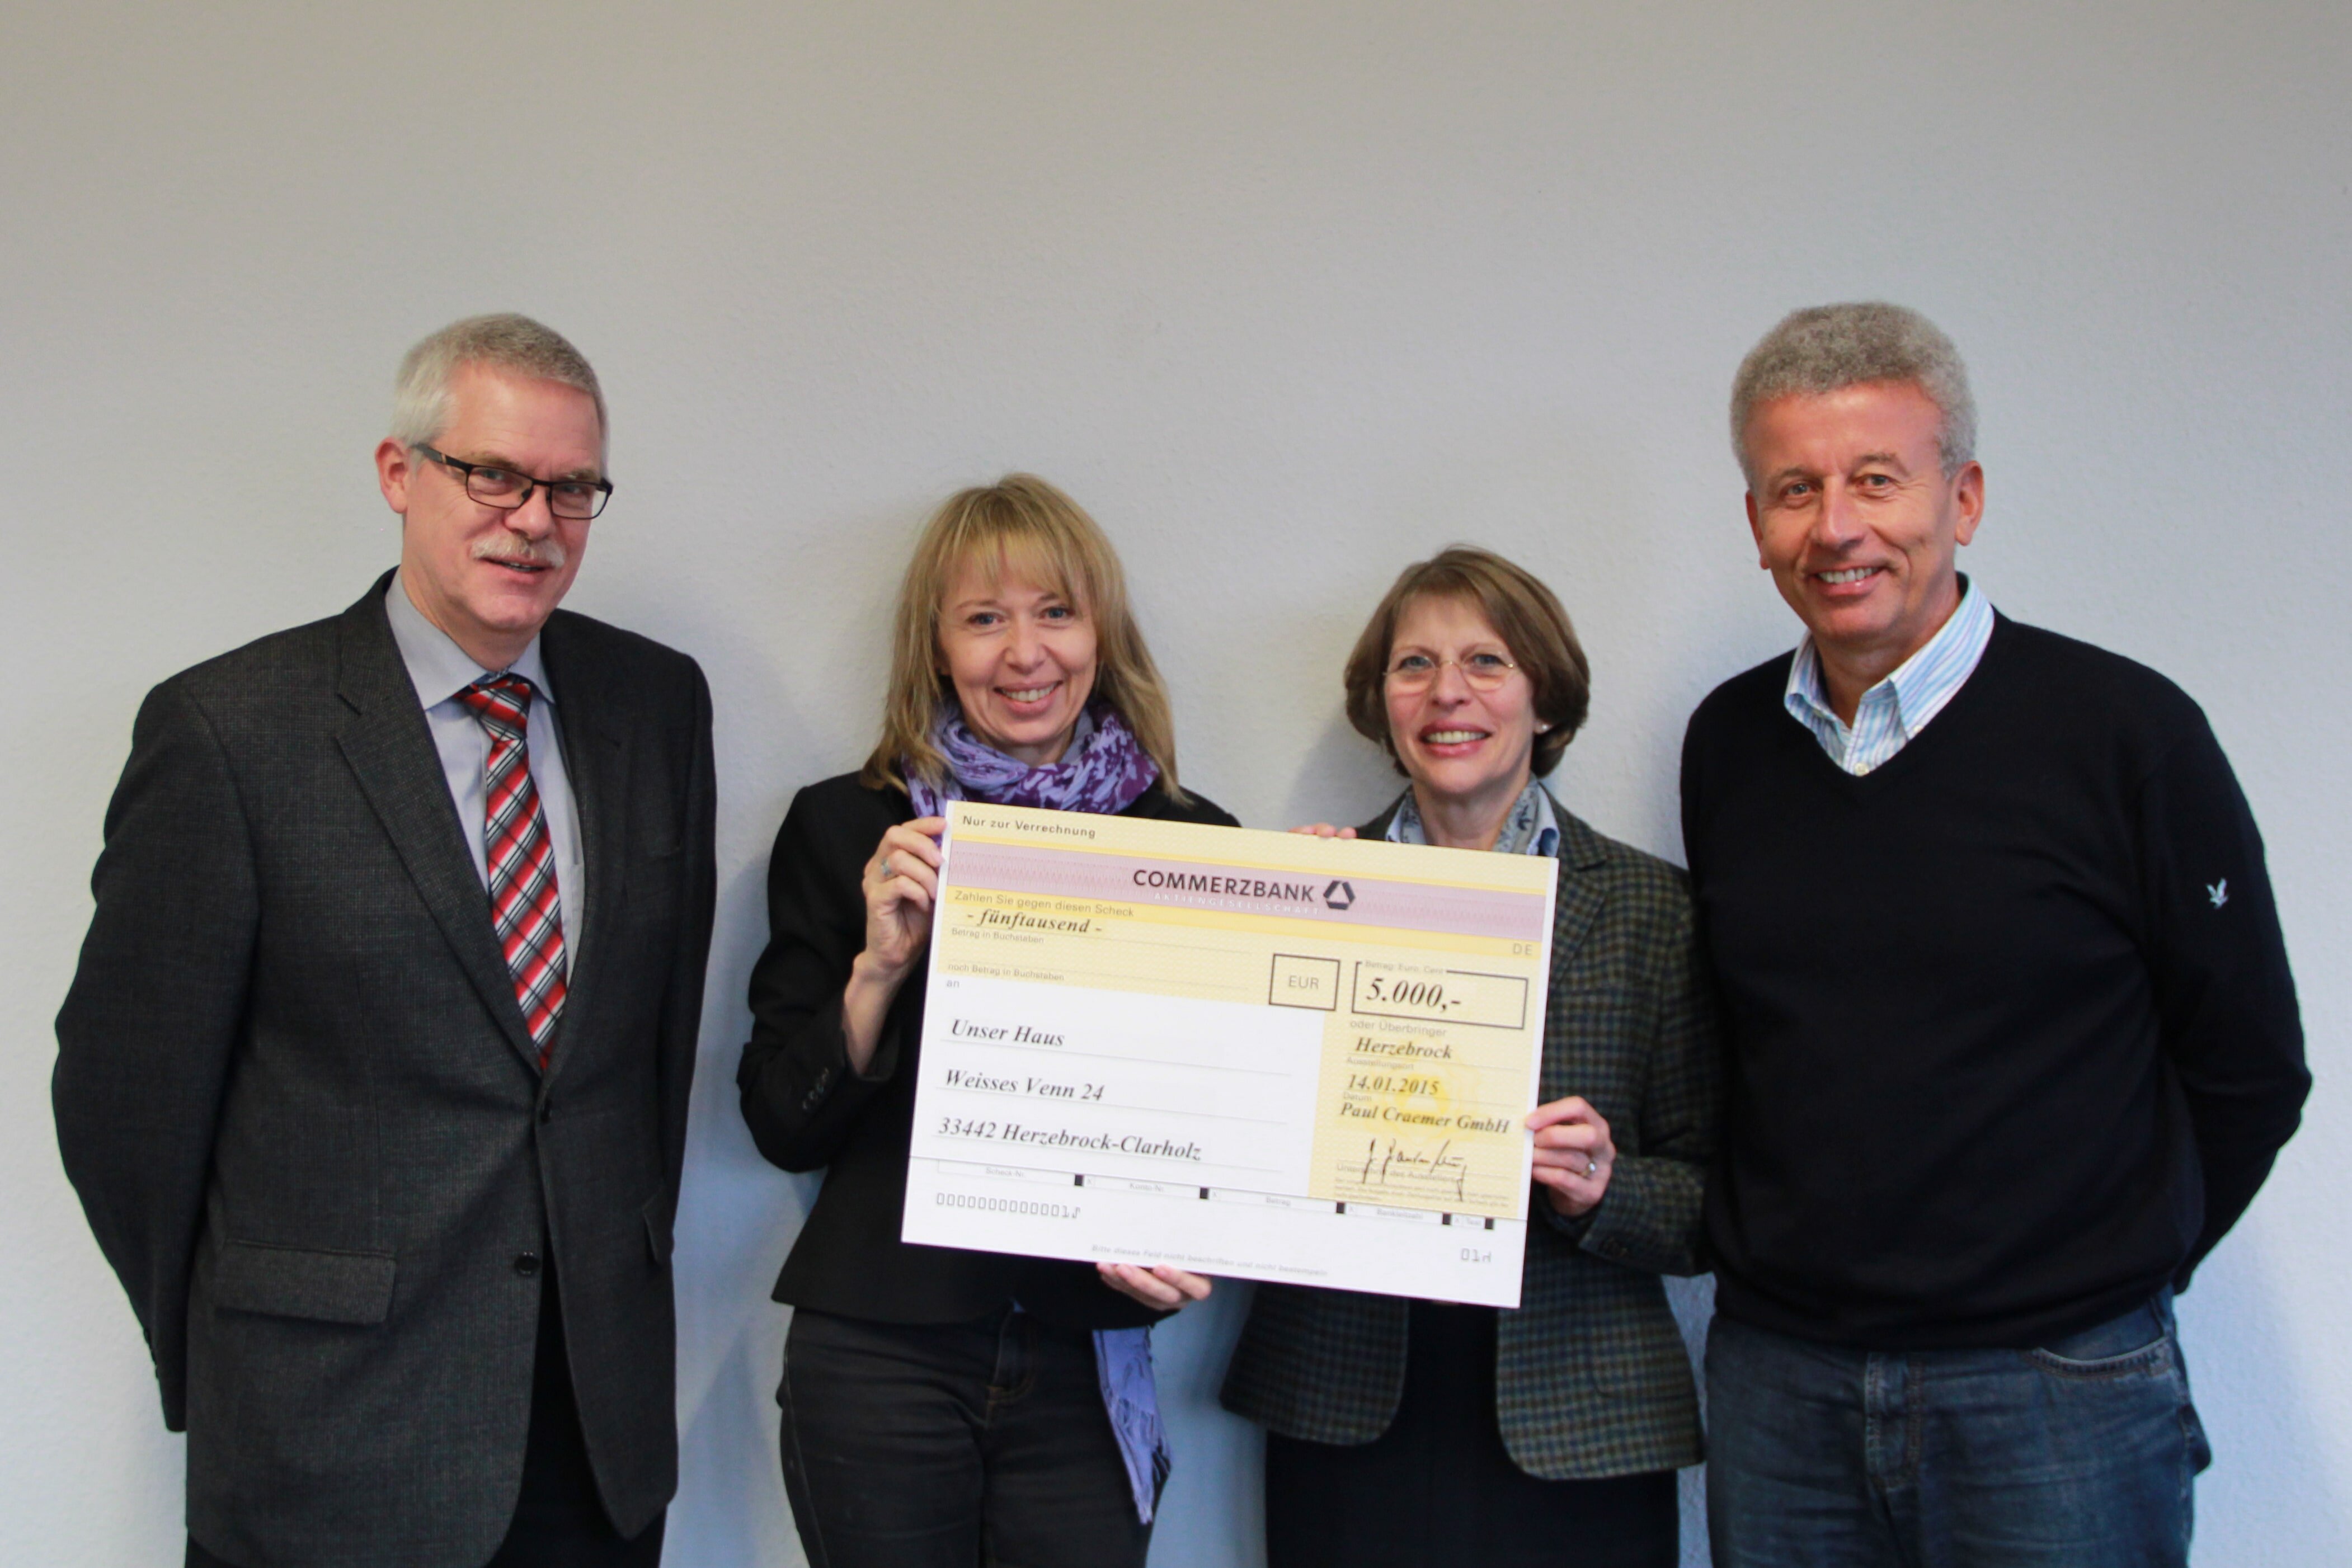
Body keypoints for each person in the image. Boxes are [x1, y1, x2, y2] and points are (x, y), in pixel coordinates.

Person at [53, 314, 717, 1568]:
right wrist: (241, 1341)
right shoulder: (231, 732)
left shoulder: (656, 706)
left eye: (571, 488)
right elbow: (122, 1101)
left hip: (594, 1439)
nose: (532, 518)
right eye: (493, 474)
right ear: (398, 473)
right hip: (326, 1438)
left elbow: (648, 1058)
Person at [1684, 302, 2309, 1567]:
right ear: (1754, 524)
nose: (1836, 526)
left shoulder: (2126, 735)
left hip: (2055, 1393)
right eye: (1792, 488)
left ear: (1961, 497)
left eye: (1876, 479)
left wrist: (2101, 1281)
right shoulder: (1726, 744)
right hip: (1780, 1387)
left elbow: (2248, 1067)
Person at [738, 474, 1236, 1568]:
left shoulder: (1196, 841)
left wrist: (1316, 929)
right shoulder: (847, 828)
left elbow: (1219, 1119)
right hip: (880, 1349)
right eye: (983, 617)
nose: (1024, 653)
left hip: (1083, 1356)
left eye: (1055, 612)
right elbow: (781, 1122)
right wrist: (876, 971)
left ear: (1101, 634)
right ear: (935, 647)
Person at [1219, 547, 1719, 1568]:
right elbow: (1229, 1147)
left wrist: (1608, 1189)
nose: (1448, 692)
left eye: (1487, 661)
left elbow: (1719, 1201)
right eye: (1415, 666)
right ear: (1382, 702)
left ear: (1545, 701)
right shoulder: (1302, 889)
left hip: (1582, 1422)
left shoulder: (1650, 910)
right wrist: (1287, 937)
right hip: (1345, 1398)